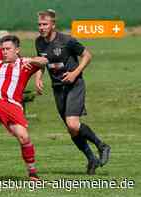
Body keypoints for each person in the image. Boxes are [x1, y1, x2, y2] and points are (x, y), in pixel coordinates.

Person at [34, 9, 111, 175]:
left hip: (75, 85)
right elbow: (41, 61)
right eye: (39, 24)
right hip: (57, 88)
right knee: (72, 130)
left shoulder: (67, 40)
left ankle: (102, 146)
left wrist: (75, 73)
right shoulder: (39, 42)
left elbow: (87, 55)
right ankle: (91, 159)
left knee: (72, 124)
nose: (41, 27)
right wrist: (38, 77)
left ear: (53, 25)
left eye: (45, 24)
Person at [0, 35, 48, 181]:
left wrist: (31, 60)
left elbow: (44, 61)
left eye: (8, 49)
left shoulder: (24, 64)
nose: (4, 52)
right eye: (3, 49)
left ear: (17, 50)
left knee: (24, 138)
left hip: (12, 106)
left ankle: (32, 173)